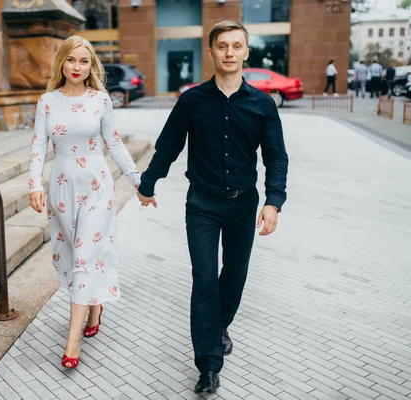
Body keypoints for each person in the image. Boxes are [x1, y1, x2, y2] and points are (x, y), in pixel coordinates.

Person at [136, 20, 288, 395]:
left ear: (246, 52)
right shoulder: (192, 100)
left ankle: (218, 326)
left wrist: (274, 202)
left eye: (237, 46)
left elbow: (276, 157)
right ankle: (208, 365)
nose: (230, 53)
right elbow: (168, 146)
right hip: (201, 203)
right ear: (212, 52)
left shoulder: (262, 105)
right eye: (223, 46)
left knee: (233, 275)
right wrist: (147, 182)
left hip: (242, 205)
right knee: (204, 279)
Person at [28, 35, 140, 369]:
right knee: (76, 255)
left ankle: (72, 341)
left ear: (91, 65)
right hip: (62, 190)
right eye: (71, 60)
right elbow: (37, 146)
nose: (77, 67)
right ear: (61, 62)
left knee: (84, 259)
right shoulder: (47, 101)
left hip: (96, 187)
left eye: (84, 61)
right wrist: (34, 184)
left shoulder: (100, 100)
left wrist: (138, 180)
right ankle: (94, 307)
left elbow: (115, 144)